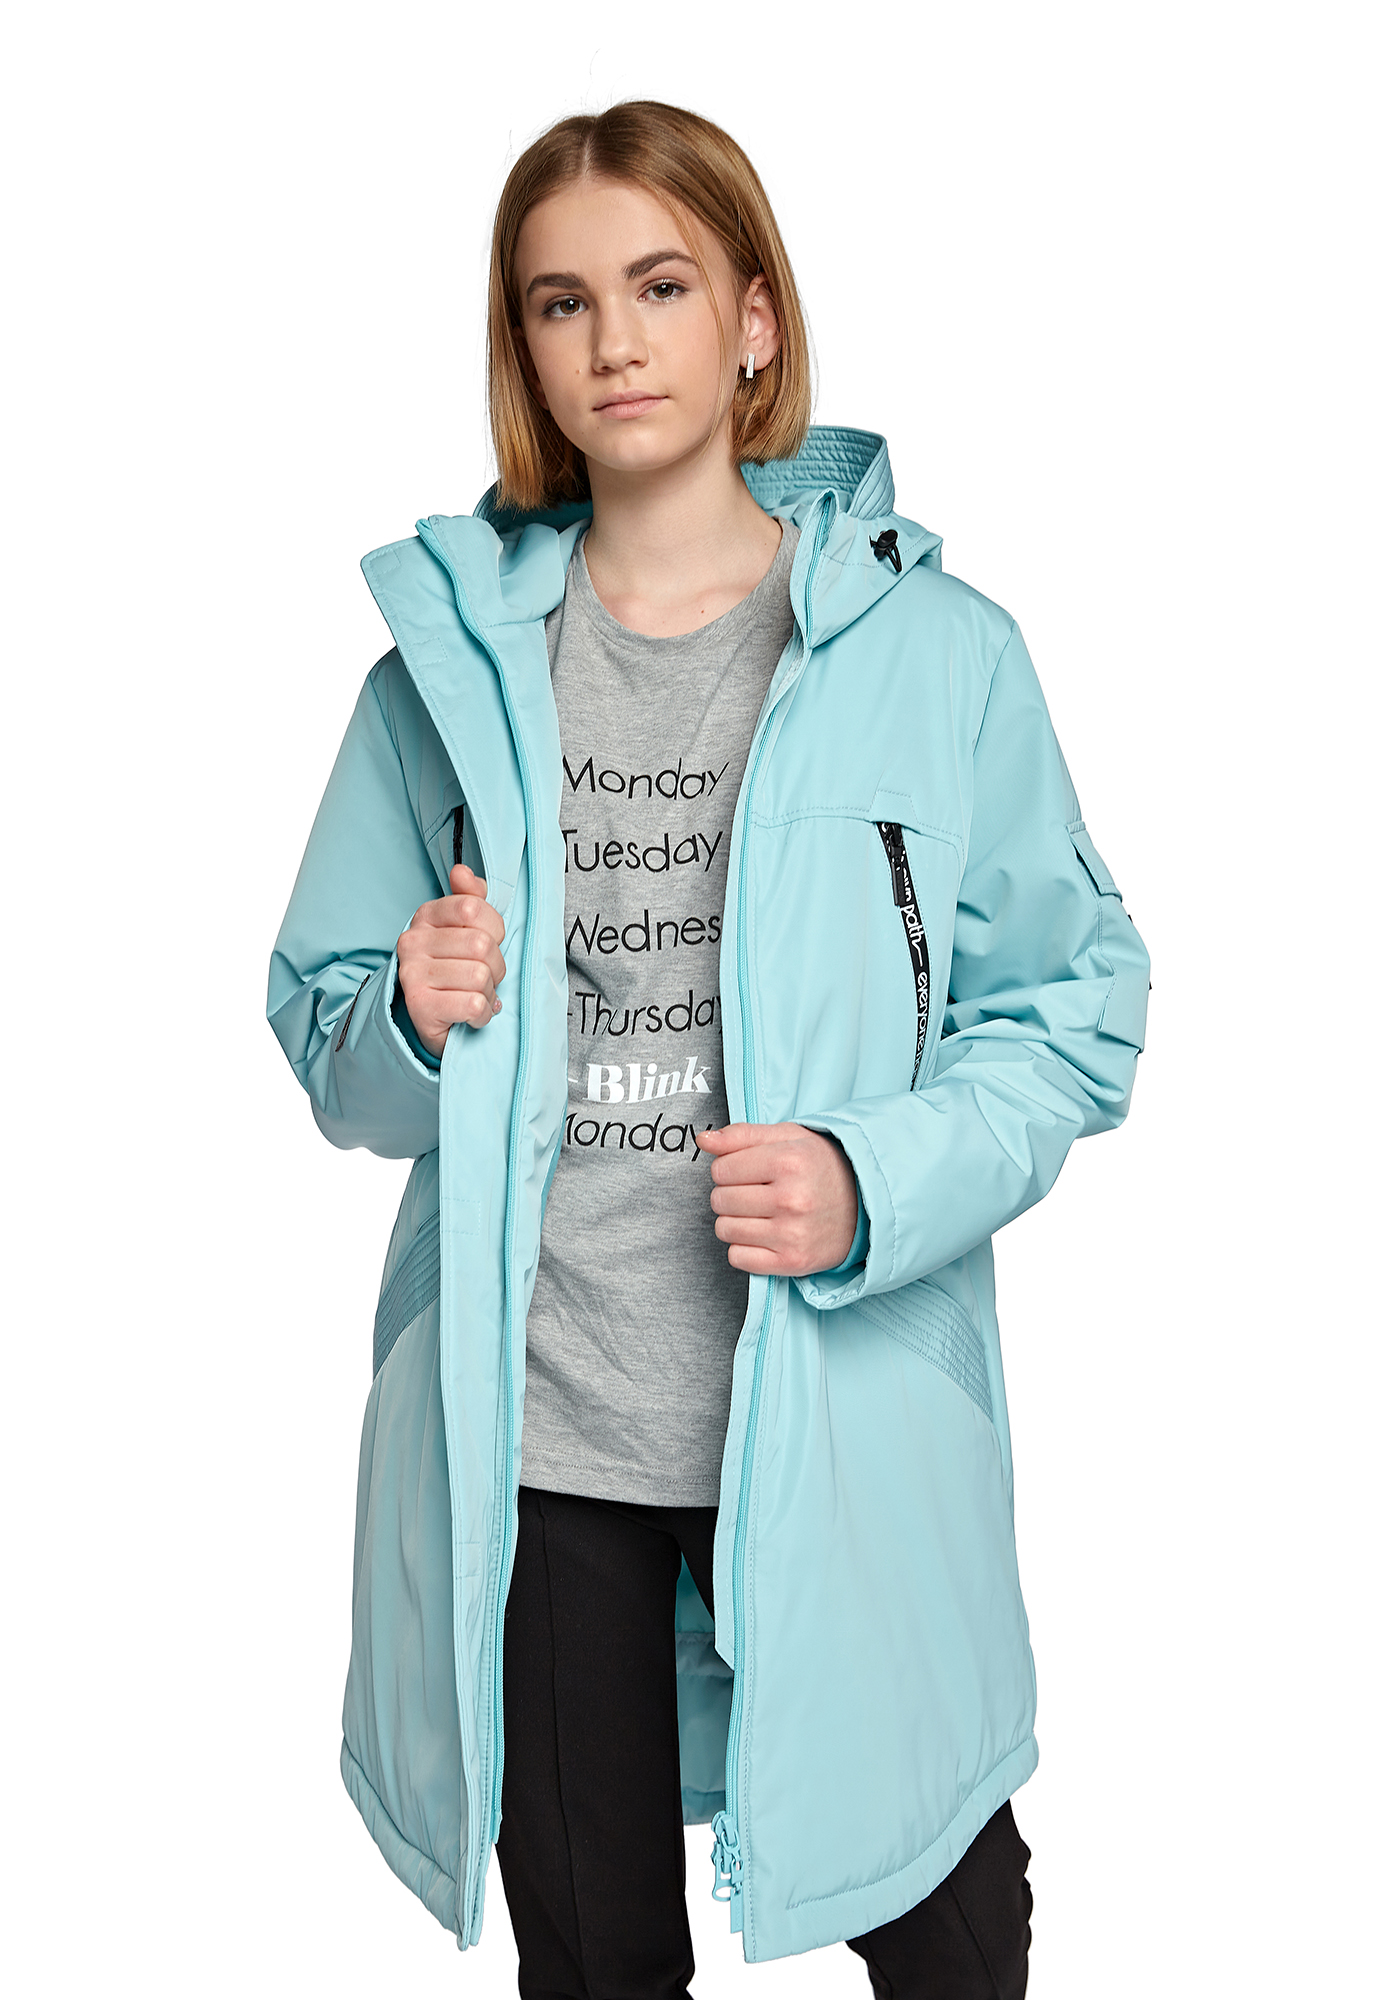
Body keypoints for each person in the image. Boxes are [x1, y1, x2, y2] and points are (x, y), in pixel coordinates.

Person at [268, 99, 1150, 2000]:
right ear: (525, 349)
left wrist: (867, 1179)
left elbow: (1073, 1011)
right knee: (595, 1963)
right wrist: (407, 1008)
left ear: (755, 318)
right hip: (535, 1441)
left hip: (836, 1408)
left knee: (948, 1927)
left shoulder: (939, 655)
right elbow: (323, 1031)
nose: (615, 341)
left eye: (661, 286)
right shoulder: (439, 681)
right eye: (561, 302)